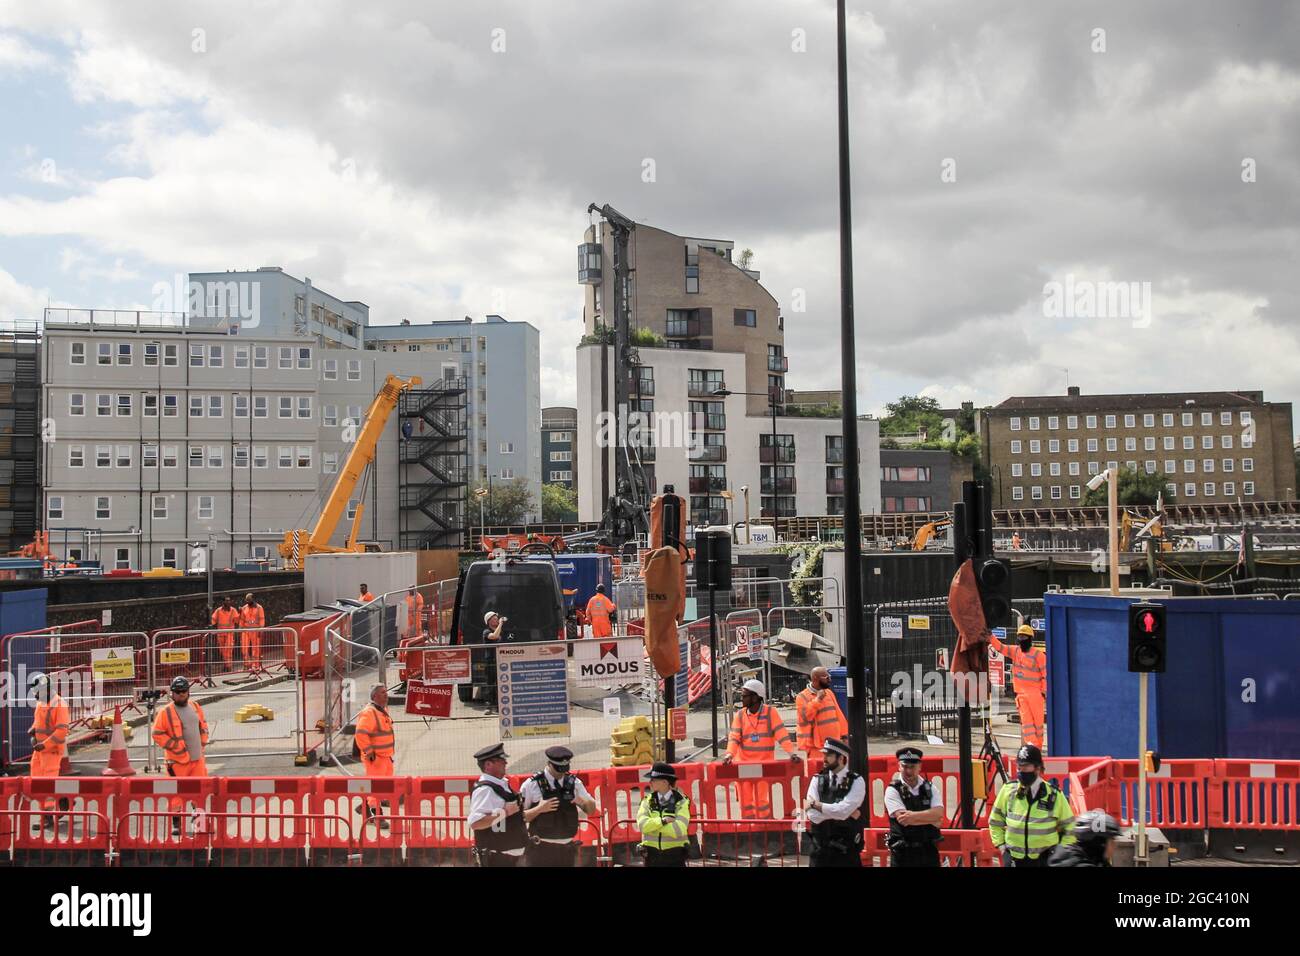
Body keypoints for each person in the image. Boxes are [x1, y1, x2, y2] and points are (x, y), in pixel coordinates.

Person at [723, 679, 799, 818]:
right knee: (745, 801)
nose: (741, 698)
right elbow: (734, 738)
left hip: (764, 766)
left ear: (755, 697)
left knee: (762, 800)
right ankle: (748, 827)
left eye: (744, 695)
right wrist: (729, 754)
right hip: (744, 766)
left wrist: (791, 753)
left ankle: (763, 826)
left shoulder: (771, 713)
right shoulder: (740, 715)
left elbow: (781, 734)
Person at [989, 744, 1075, 867]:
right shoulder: (1008, 791)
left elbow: (1070, 828)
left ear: (1038, 768)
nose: (1021, 771)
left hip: (1044, 860)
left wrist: (1060, 853)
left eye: (1026, 767)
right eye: (1019, 767)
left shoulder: (1054, 795)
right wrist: (1002, 846)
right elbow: (995, 821)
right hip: (1014, 860)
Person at [467, 743, 550, 867]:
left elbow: (512, 818)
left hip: (508, 857)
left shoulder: (500, 784)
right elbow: (476, 823)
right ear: (488, 765)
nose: (505, 763)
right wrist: (505, 812)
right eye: (501, 760)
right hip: (497, 858)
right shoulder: (485, 789)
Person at [519, 745, 598, 867]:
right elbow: (520, 818)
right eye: (558, 769)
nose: (562, 773)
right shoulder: (532, 785)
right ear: (549, 764)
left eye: (564, 769)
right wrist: (539, 809)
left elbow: (591, 811)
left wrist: (582, 802)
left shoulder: (574, 783)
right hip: (541, 850)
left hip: (567, 850)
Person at [151, 676, 209, 835]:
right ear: (172, 693)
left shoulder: (195, 706)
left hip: (197, 759)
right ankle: (176, 824)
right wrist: (177, 748)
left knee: (199, 792)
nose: (181, 694)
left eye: (184, 691)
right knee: (177, 795)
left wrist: (202, 744)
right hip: (177, 762)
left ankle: (199, 822)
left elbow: (203, 726)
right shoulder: (166, 712)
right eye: (178, 692)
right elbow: (157, 733)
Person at [804, 737, 866, 867]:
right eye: (824, 755)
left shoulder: (856, 781)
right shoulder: (817, 780)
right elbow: (813, 816)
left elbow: (843, 811)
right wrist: (843, 812)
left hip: (845, 853)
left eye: (829, 755)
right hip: (820, 853)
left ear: (841, 758)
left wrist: (816, 804)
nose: (824, 759)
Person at [883, 746, 944, 867]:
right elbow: (904, 819)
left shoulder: (930, 787)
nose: (908, 771)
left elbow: (939, 814)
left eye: (912, 767)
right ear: (899, 766)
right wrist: (931, 819)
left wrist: (913, 816)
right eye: (905, 766)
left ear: (920, 767)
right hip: (903, 854)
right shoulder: (893, 790)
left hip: (928, 852)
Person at [988, 623, 1047, 748]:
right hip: (1022, 695)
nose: (1022, 640)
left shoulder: (1038, 655)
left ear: (1030, 639)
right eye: (1020, 637)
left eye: (1024, 637)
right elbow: (1000, 647)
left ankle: (1037, 748)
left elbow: (1045, 675)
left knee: (1037, 724)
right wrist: (990, 636)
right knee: (1027, 724)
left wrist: (1043, 692)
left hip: (1035, 694)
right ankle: (1032, 747)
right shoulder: (1015, 651)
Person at [28, 674, 69, 831]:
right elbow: (39, 721)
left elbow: (61, 732)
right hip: (39, 751)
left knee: (47, 785)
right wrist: (33, 730)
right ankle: (64, 801)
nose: (36, 695)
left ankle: (47, 817)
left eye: (37, 692)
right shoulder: (41, 703)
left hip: (51, 752)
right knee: (36, 783)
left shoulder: (60, 704)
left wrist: (44, 745)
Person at [353, 684, 396, 828]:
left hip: (386, 756)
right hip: (375, 758)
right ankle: (378, 816)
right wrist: (369, 751)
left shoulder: (382, 710)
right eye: (382, 693)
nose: (386, 694)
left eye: (386, 692)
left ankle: (363, 807)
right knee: (375, 789)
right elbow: (360, 733)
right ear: (374, 696)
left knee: (383, 787)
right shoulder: (369, 712)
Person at [636, 762, 691, 867]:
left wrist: (652, 827)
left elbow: (678, 830)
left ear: (665, 782)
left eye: (653, 780)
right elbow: (642, 825)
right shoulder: (646, 801)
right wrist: (663, 821)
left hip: (675, 857)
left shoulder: (681, 802)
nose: (650, 782)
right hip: (651, 857)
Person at [795, 666, 848, 759]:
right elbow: (805, 717)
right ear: (816, 678)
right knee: (818, 771)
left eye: (830, 677)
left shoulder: (829, 693)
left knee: (835, 771)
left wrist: (844, 735)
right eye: (827, 678)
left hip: (834, 743)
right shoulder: (802, 697)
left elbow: (838, 714)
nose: (830, 680)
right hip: (816, 746)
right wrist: (818, 699)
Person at [1049, 810, 1121, 867]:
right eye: (1111, 841)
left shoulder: (1070, 855)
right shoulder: (1075, 863)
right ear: (1100, 843)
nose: (1115, 846)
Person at [211, 596, 241, 669]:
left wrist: (240, 613)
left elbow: (237, 620)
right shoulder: (218, 611)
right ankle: (226, 664)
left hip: (229, 633)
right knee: (222, 650)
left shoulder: (233, 610)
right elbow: (213, 620)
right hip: (220, 633)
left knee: (228, 649)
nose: (228, 602)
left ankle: (228, 666)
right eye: (227, 601)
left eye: (229, 600)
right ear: (223, 602)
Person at [239, 593, 266, 672]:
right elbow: (242, 619)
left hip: (255, 630)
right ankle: (247, 664)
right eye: (246, 600)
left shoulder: (259, 608)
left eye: (249, 600)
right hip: (246, 630)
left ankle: (255, 665)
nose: (247, 602)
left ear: (253, 599)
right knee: (244, 648)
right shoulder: (244, 608)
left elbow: (262, 619)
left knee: (255, 649)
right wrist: (240, 629)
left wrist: (261, 629)